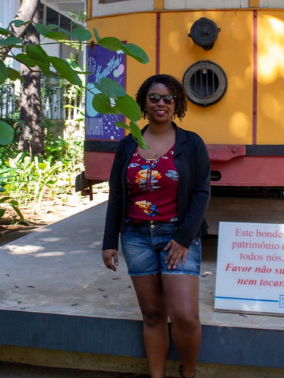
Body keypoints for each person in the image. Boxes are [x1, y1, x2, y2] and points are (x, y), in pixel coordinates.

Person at [101, 74, 210, 378]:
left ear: (177, 104)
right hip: (136, 237)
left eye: (167, 98)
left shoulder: (192, 143)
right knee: (152, 315)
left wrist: (184, 238)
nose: (161, 103)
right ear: (144, 103)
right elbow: (117, 194)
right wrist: (109, 241)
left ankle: (187, 373)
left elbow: (202, 192)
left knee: (186, 317)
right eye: (154, 98)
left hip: (178, 236)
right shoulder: (128, 145)